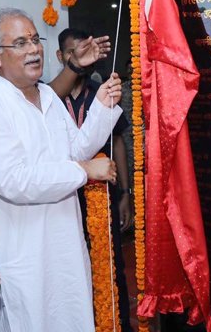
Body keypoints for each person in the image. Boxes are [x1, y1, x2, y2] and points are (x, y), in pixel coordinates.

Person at [0, 8, 123, 331]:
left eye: (35, 40)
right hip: (24, 253)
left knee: (73, 318)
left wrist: (102, 107)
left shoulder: (47, 93)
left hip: (65, 245)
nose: (34, 49)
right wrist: (85, 171)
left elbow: (74, 150)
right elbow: (14, 182)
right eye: (21, 43)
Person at [56, 27, 134, 331]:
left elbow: (118, 142)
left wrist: (125, 192)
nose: (80, 57)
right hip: (64, 197)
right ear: (61, 56)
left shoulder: (100, 91)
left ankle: (117, 323)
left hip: (103, 190)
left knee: (111, 262)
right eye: (73, 52)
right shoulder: (49, 96)